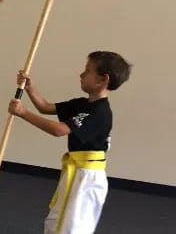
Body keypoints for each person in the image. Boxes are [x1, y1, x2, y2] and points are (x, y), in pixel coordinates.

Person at [8, 51, 132, 234]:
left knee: (74, 225)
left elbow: (59, 130)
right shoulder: (82, 104)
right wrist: (29, 88)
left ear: (102, 79)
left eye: (87, 70)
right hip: (76, 171)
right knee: (59, 218)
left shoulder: (100, 112)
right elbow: (45, 107)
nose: (81, 74)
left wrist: (23, 113)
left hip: (87, 177)